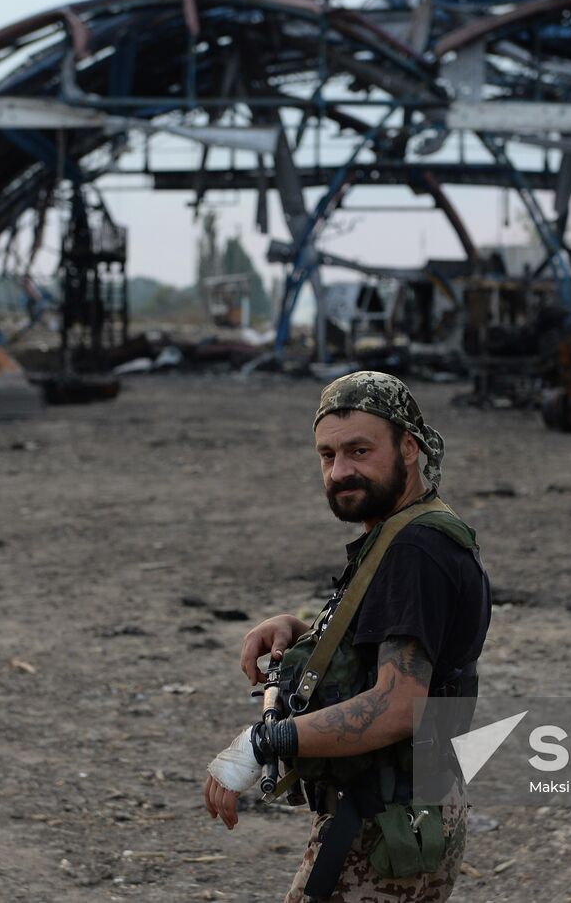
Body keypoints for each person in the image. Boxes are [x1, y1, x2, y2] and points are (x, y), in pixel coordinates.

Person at [202, 371, 492, 902]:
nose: (340, 471)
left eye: (359, 450)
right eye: (327, 455)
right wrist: (303, 630)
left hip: (385, 825)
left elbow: (400, 704)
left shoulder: (415, 550)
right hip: (399, 812)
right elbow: (384, 643)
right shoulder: (404, 531)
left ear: (409, 447)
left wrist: (263, 743)